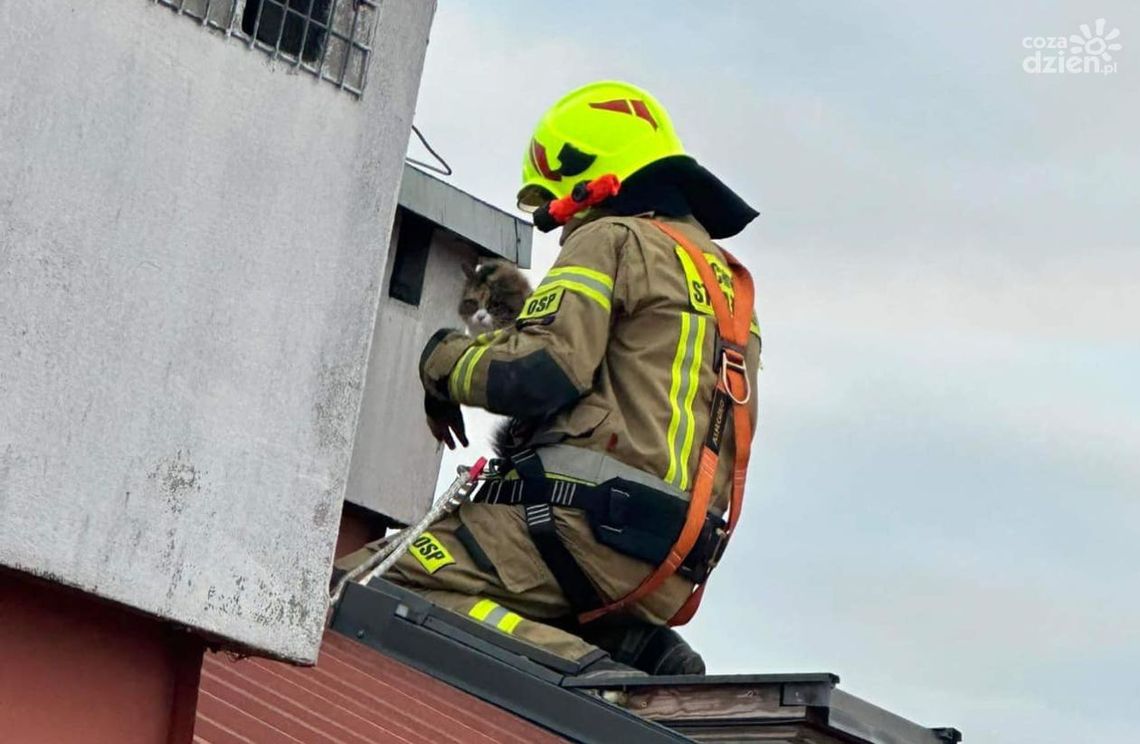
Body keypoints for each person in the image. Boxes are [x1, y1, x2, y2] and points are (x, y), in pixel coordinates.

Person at [338, 80, 761, 675]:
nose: (562, 231)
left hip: (575, 527)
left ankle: (589, 670)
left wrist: (439, 361)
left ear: (595, 175)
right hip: (672, 561)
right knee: (507, 600)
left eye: (564, 205)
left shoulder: (612, 238)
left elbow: (540, 370)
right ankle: (633, 645)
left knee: (368, 580)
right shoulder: (723, 280)